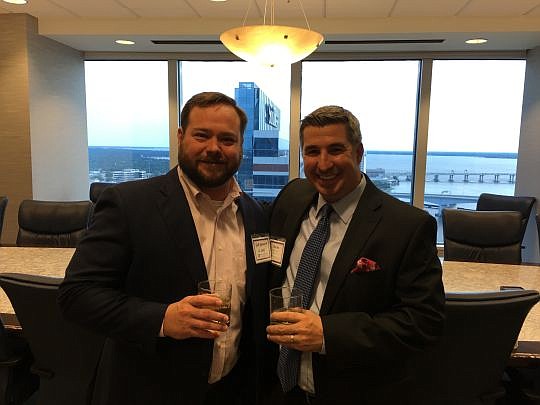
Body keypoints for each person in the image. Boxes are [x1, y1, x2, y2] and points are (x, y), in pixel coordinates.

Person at [58, 92, 273, 405]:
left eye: (227, 139)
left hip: (230, 390)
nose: (214, 148)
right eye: (202, 135)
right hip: (147, 389)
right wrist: (163, 318)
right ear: (181, 137)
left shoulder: (254, 215)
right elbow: (76, 295)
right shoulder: (129, 204)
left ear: (241, 147)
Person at [266, 105, 445, 405]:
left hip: (355, 391)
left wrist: (328, 334)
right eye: (312, 152)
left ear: (359, 152)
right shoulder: (292, 198)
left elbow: (423, 321)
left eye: (336, 150)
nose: (323, 164)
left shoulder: (406, 226)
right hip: (282, 389)